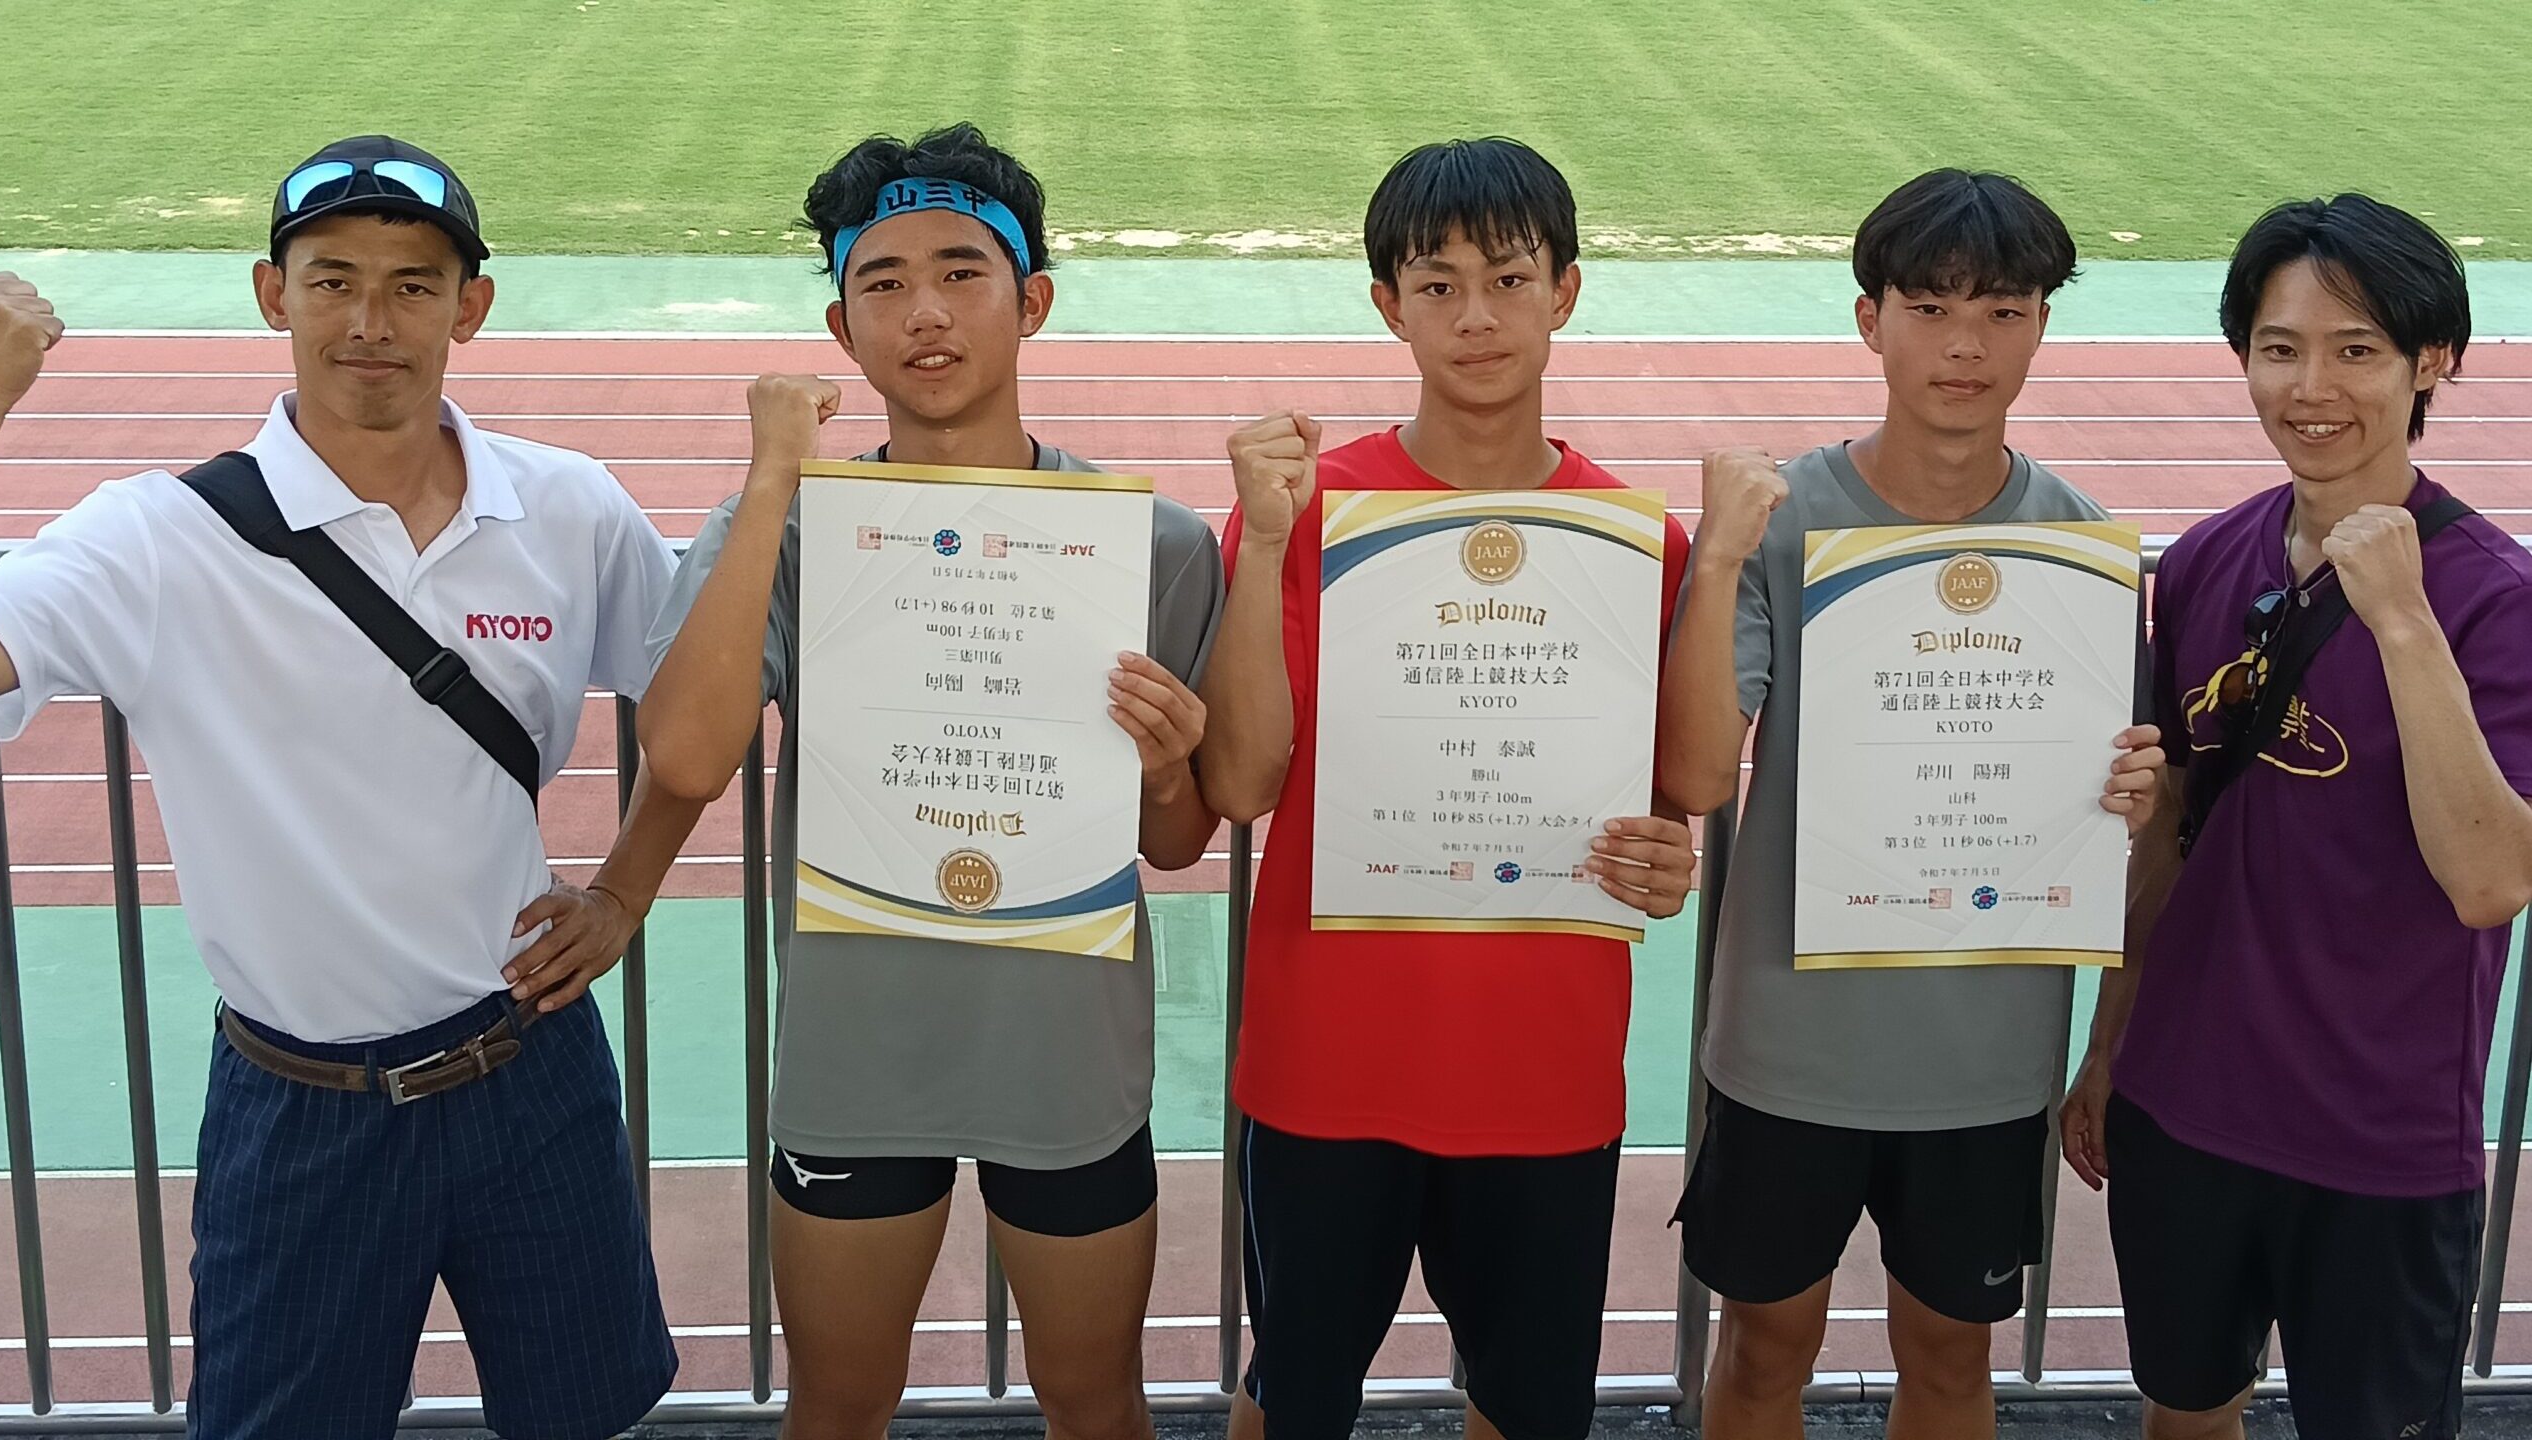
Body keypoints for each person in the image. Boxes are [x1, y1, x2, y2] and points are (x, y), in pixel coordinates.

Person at [0, 136, 682, 1439]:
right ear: (272, 295)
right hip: (303, 1107)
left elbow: (702, 695)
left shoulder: (566, 507)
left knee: (583, 1415)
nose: (370, 322)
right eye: (332, 279)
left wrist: (626, 890)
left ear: (471, 306)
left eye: (413, 285)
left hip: (532, 1072)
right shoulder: (157, 539)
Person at [630, 122, 1224, 1440]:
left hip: (1063, 1054)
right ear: (840, 327)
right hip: (858, 1055)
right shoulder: (784, 528)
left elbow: (1179, 840)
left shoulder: (1155, 543)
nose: (926, 313)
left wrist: (1168, 762)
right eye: (883, 283)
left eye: (963, 272)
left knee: (1093, 1399)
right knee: (841, 1402)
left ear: (1033, 301)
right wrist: (772, 480)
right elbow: (684, 755)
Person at [1196, 137, 1696, 1440]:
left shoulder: (1635, 541)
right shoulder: (1305, 509)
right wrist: (1261, 544)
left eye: (1509, 279)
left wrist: (1664, 860)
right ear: (1389, 305)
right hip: (1327, 1061)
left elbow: (1659, 813)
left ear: (1564, 291)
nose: (1476, 316)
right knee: (1292, 1396)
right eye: (1437, 285)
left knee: (1527, 1407)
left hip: (1543, 1066)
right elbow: (1240, 783)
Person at [1656, 169, 2164, 1440]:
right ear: (1868, 320)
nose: (1964, 346)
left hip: (1985, 1065)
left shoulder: (2082, 551)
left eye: (2001, 311)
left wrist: (2129, 790)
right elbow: (1700, 776)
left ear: (2040, 327)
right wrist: (1717, 557)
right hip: (1789, 1048)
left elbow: (2132, 818)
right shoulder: (1783, 524)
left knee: (1950, 1360)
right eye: (1930, 308)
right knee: (1762, 1354)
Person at [2063, 194, 2532, 1440]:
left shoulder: (2494, 602)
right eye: (2279, 349)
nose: (2311, 388)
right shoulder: (2205, 562)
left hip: (2379, 1138)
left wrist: (2401, 619)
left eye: (2355, 349)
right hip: (2182, 1104)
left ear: (2432, 361)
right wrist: (2108, 1044)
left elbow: (2490, 879)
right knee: (2183, 1413)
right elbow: (2171, 833)